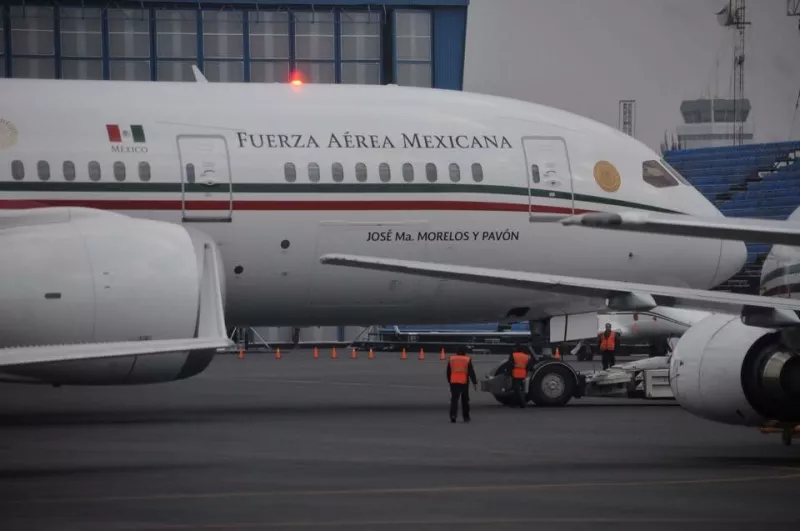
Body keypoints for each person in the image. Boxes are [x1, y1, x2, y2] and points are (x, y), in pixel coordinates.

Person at [446, 347, 477, 423]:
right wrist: (474, 382)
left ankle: (453, 416)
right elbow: (471, 372)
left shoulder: (452, 359)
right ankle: (466, 417)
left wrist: (449, 381)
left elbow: (448, 372)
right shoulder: (467, 359)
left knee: (454, 400)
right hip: (464, 382)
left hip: (454, 382)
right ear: (464, 353)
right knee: (465, 401)